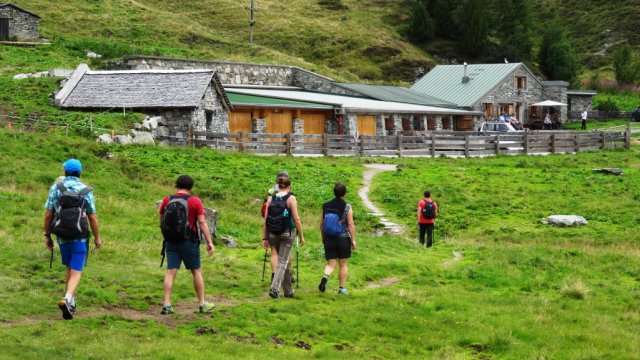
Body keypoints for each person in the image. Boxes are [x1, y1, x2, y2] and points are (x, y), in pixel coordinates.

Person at [44, 159, 102, 320]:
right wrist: (97, 238)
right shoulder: (85, 190)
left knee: (69, 267)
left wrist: (47, 236)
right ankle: (68, 297)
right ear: (79, 173)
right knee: (77, 271)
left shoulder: (56, 188)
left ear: (65, 171)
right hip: (80, 236)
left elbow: (49, 214)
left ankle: (71, 302)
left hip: (62, 236)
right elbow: (93, 217)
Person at [159, 175, 215, 314]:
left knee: (171, 271)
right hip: (188, 240)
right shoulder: (195, 201)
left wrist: (168, 235)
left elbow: (161, 219)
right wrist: (209, 241)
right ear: (191, 187)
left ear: (177, 185)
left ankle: (166, 304)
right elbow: (202, 222)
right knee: (196, 271)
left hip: (171, 240)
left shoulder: (167, 199)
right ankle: (202, 303)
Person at [263, 173, 305, 298]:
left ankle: (288, 291)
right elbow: (296, 219)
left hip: (272, 233)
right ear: (289, 186)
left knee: (283, 261)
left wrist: (265, 237)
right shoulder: (291, 198)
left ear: (278, 186)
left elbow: (265, 220)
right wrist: (301, 235)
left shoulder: (271, 198)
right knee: (283, 260)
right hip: (287, 233)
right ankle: (274, 288)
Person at [319, 183, 356, 295]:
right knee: (343, 265)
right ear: (344, 193)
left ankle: (325, 277)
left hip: (329, 238)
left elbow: (321, 224)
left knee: (330, 264)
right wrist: (353, 240)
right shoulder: (347, 206)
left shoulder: (326, 205)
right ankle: (341, 289)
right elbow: (350, 224)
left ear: (334, 192)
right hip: (343, 239)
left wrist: (323, 237)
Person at [261, 171, 296, 285]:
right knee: (286, 254)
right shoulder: (289, 194)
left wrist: (264, 235)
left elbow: (264, 213)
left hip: (272, 226)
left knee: (274, 253)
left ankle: (273, 275)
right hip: (286, 227)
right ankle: (287, 275)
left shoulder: (270, 193)